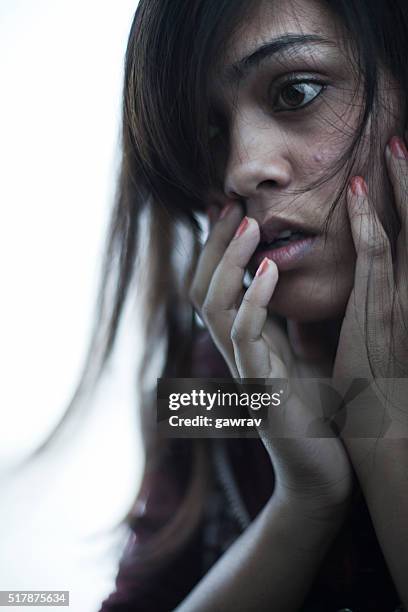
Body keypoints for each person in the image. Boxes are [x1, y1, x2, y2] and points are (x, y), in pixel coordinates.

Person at [68, 0, 407, 609]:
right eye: (208, 134)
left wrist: (383, 441)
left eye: (296, 91)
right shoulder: (215, 387)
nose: (242, 169)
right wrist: (303, 502)